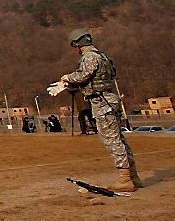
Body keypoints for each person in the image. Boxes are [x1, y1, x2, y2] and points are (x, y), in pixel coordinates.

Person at [60, 29, 141, 191]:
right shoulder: (102, 56)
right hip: (110, 99)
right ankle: (133, 176)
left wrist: (67, 78)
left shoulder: (90, 57)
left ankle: (125, 179)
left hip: (102, 102)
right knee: (120, 139)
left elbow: (83, 75)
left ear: (77, 44)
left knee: (112, 140)